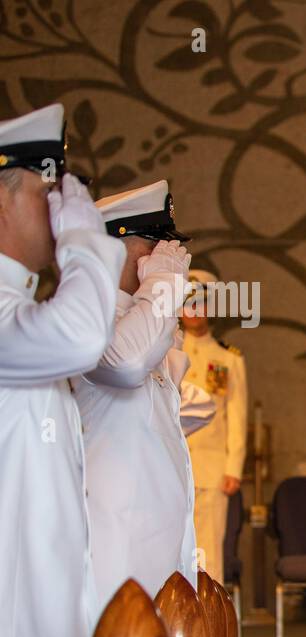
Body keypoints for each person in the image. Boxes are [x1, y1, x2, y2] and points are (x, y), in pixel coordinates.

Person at [0, 104, 125, 637]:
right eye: (48, 194)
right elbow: (84, 336)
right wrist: (87, 243)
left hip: (42, 632)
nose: (60, 212)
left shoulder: (20, 309)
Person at [81, 181, 198, 610]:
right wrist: (164, 285)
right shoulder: (88, 316)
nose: (164, 256)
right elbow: (126, 363)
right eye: (155, 244)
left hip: (156, 542)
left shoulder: (146, 321)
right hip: (111, 546)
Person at [182, 266, 247, 585]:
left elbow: (236, 414)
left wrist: (234, 466)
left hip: (211, 467)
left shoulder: (228, 358)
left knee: (209, 554)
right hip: (172, 464)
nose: (194, 310)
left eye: (201, 302)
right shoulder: (163, 350)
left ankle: (211, 628)